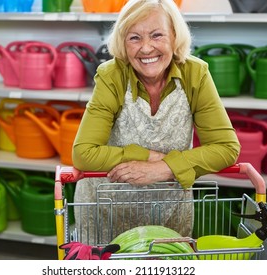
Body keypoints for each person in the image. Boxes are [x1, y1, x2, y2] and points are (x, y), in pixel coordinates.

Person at [71, 0, 240, 245]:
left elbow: (227, 148)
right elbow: (83, 154)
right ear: (123, 42)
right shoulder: (111, 75)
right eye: (134, 38)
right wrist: (147, 156)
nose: (146, 48)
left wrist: (164, 167)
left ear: (174, 36)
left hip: (169, 213)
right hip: (105, 210)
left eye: (157, 35)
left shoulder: (196, 73)